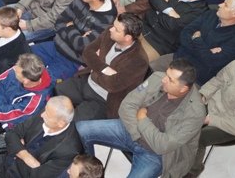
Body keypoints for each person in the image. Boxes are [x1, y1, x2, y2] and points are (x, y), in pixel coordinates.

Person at [76, 59, 206, 178]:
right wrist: (136, 134)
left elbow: (163, 145)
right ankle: (90, 173)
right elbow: (127, 105)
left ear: (183, 89)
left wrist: (142, 118)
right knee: (82, 129)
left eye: (170, 80)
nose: (164, 80)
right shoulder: (156, 78)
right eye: (166, 74)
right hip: (131, 131)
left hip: (156, 154)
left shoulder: (195, 113)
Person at [0, 96, 82, 178]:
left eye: (47, 115)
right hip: (6, 161)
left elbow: (38, 175)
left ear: (61, 123)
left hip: (22, 175)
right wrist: (25, 155)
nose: (42, 115)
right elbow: (12, 134)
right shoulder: (45, 113)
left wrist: (17, 146)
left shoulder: (69, 149)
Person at [56, 13, 149, 121]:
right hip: (87, 81)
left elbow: (112, 85)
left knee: (74, 121)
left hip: (103, 99)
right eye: (113, 25)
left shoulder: (139, 60)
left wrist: (95, 64)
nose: (111, 29)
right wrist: (105, 69)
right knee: (58, 90)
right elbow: (87, 52)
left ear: (127, 38)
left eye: (116, 29)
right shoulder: (109, 33)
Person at [31, 0, 117, 82]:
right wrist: (78, 36)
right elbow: (59, 22)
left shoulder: (107, 20)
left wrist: (70, 27)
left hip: (72, 60)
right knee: (24, 59)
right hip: (55, 45)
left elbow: (82, 47)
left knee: (42, 81)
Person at [153, 0, 235, 85]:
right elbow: (185, 33)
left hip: (194, 77)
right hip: (178, 58)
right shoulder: (211, 14)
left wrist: (197, 39)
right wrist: (206, 50)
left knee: (168, 88)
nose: (220, 5)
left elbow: (211, 61)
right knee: (153, 66)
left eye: (226, 5)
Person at [139, 0, 207, 62]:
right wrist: (169, 11)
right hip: (143, 25)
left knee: (136, 62)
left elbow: (172, 25)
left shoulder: (200, 12)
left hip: (158, 43)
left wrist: (160, 7)